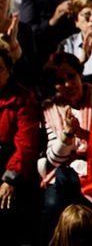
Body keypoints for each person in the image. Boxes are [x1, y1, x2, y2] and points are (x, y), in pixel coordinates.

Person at [38, 52, 92, 234]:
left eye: (71, 76)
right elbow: (54, 159)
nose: (68, 84)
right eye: (60, 81)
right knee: (52, 204)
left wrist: (83, 134)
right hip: (66, 172)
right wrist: (68, 134)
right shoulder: (50, 108)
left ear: (80, 75)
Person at [0, 40, 39, 243]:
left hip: (11, 167)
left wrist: (9, 179)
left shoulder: (22, 98)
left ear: (8, 70)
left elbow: (26, 143)